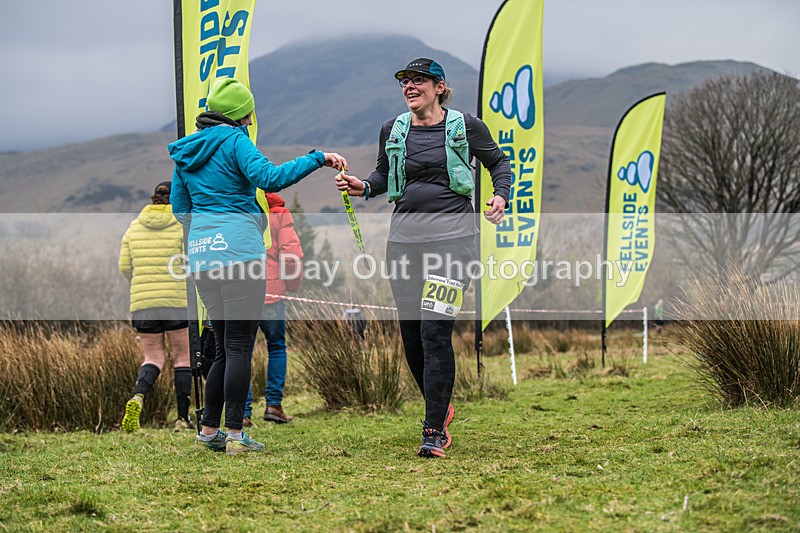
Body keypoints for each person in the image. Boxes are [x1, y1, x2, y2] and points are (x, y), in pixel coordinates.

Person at [336, 58, 510, 458]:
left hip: (454, 241)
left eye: (418, 81)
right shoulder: (392, 129)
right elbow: (383, 177)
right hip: (404, 243)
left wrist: (500, 194)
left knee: (434, 330)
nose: (410, 87)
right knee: (412, 336)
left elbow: (499, 163)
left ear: (439, 87)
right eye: (405, 82)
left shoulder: (466, 126)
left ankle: (433, 429)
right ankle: (441, 406)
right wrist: (361, 185)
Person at [169, 77, 347, 455]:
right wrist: (318, 157)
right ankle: (235, 434)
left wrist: (208, 227)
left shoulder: (184, 152)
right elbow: (270, 178)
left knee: (220, 348)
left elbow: (180, 209)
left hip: (202, 256)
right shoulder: (236, 141)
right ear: (240, 115)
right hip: (240, 256)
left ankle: (207, 431)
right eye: (249, 112)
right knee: (238, 348)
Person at [119, 181, 192, 433]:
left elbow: (124, 266)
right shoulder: (181, 225)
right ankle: (182, 419)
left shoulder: (134, 227)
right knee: (182, 357)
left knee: (153, 357)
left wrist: (140, 284)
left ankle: (138, 396)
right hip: (176, 301)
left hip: (142, 303)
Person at [242, 192, 303, 426]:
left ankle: (243, 412)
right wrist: (291, 284)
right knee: (276, 347)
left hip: (242, 290)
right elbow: (291, 256)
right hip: (272, 293)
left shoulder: (238, 211)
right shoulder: (278, 214)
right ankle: (273, 406)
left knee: (242, 351)